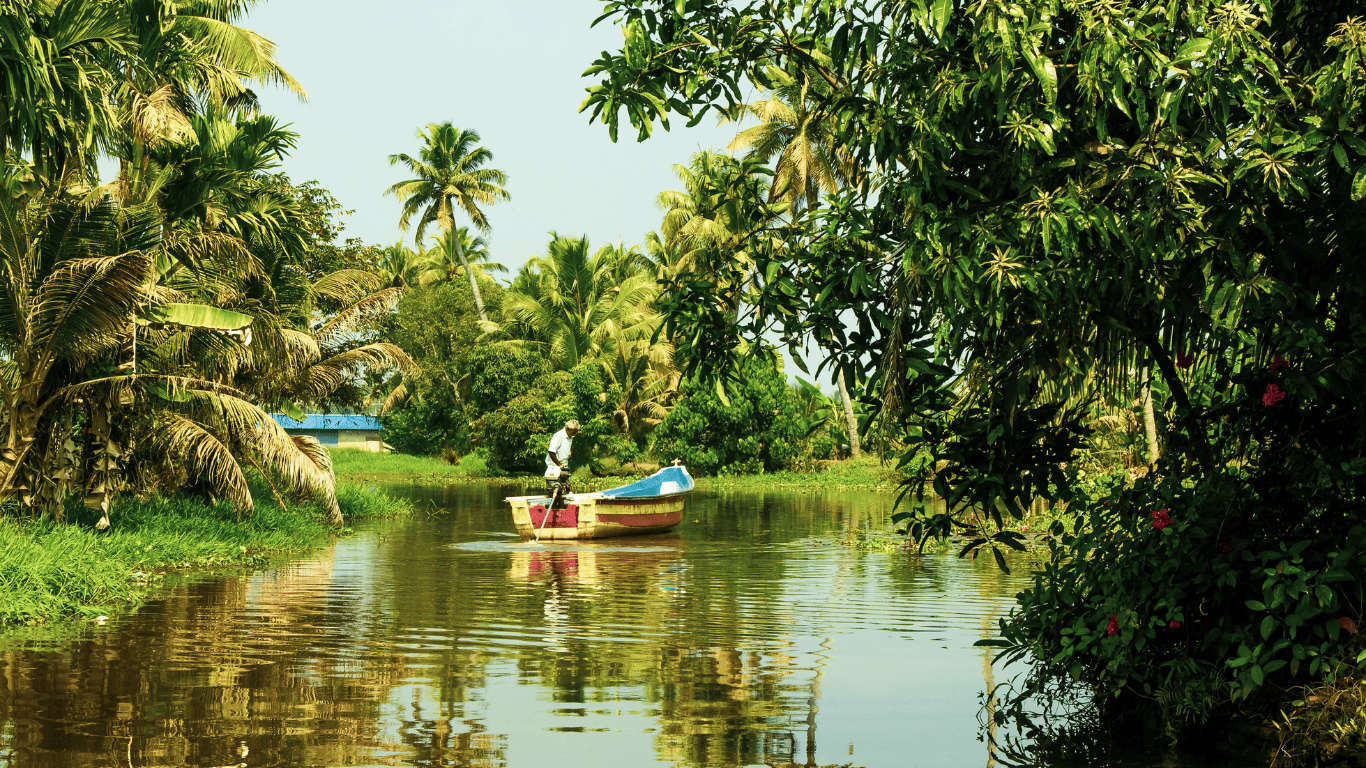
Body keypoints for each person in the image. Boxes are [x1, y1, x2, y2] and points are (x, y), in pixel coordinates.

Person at [545, 420, 579, 508]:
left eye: (576, 432)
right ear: (567, 429)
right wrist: (559, 464)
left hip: (564, 466)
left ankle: (563, 508)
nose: (575, 434)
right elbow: (551, 451)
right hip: (554, 466)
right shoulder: (559, 435)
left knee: (566, 488)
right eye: (574, 432)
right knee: (555, 489)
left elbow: (566, 445)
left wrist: (569, 451)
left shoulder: (570, 436)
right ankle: (552, 508)